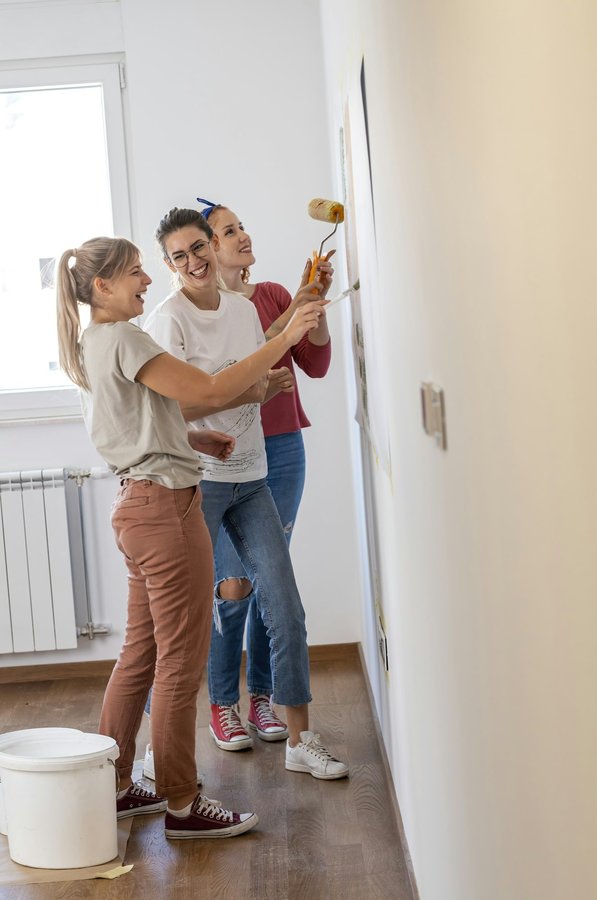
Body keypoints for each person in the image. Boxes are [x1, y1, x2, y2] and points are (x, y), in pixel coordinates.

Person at [55, 236, 325, 840]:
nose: (147, 282)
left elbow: (137, 416)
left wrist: (191, 439)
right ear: (101, 287)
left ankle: (119, 785)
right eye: (134, 274)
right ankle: (182, 804)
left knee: (140, 655)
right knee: (178, 667)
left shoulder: (93, 341)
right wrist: (281, 339)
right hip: (166, 511)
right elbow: (205, 392)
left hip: (135, 504)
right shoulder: (126, 336)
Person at [144, 207, 349, 780]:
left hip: (254, 476)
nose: (193, 261)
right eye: (179, 256)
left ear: (211, 247)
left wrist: (300, 319)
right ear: (169, 265)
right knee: (191, 616)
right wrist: (254, 390)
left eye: (198, 248)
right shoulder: (168, 321)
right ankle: (162, 752)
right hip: (200, 483)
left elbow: (284, 356)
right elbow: (180, 403)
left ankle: (301, 740)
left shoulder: (240, 309)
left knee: (285, 606)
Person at [198, 198, 333, 750]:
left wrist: (314, 309)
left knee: (270, 586)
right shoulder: (205, 311)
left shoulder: (276, 292)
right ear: (206, 251)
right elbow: (246, 361)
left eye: (241, 227)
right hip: (230, 457)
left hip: (284, 452)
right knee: (233, 585)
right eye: (228, 231)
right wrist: (292, 315)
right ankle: (222, 703)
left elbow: (315, 363)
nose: (241, 236)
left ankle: (263, 697)